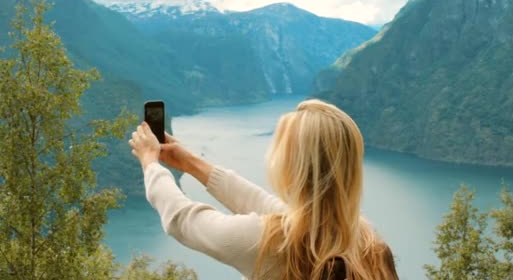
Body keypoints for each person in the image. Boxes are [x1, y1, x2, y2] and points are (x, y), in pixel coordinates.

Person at [128, 99, 399, 280]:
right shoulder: (367, 240)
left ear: (294, 164)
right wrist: (191, 163)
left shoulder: (272, 243)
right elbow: (270, 207)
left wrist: (150, 163)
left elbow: (183, 220)